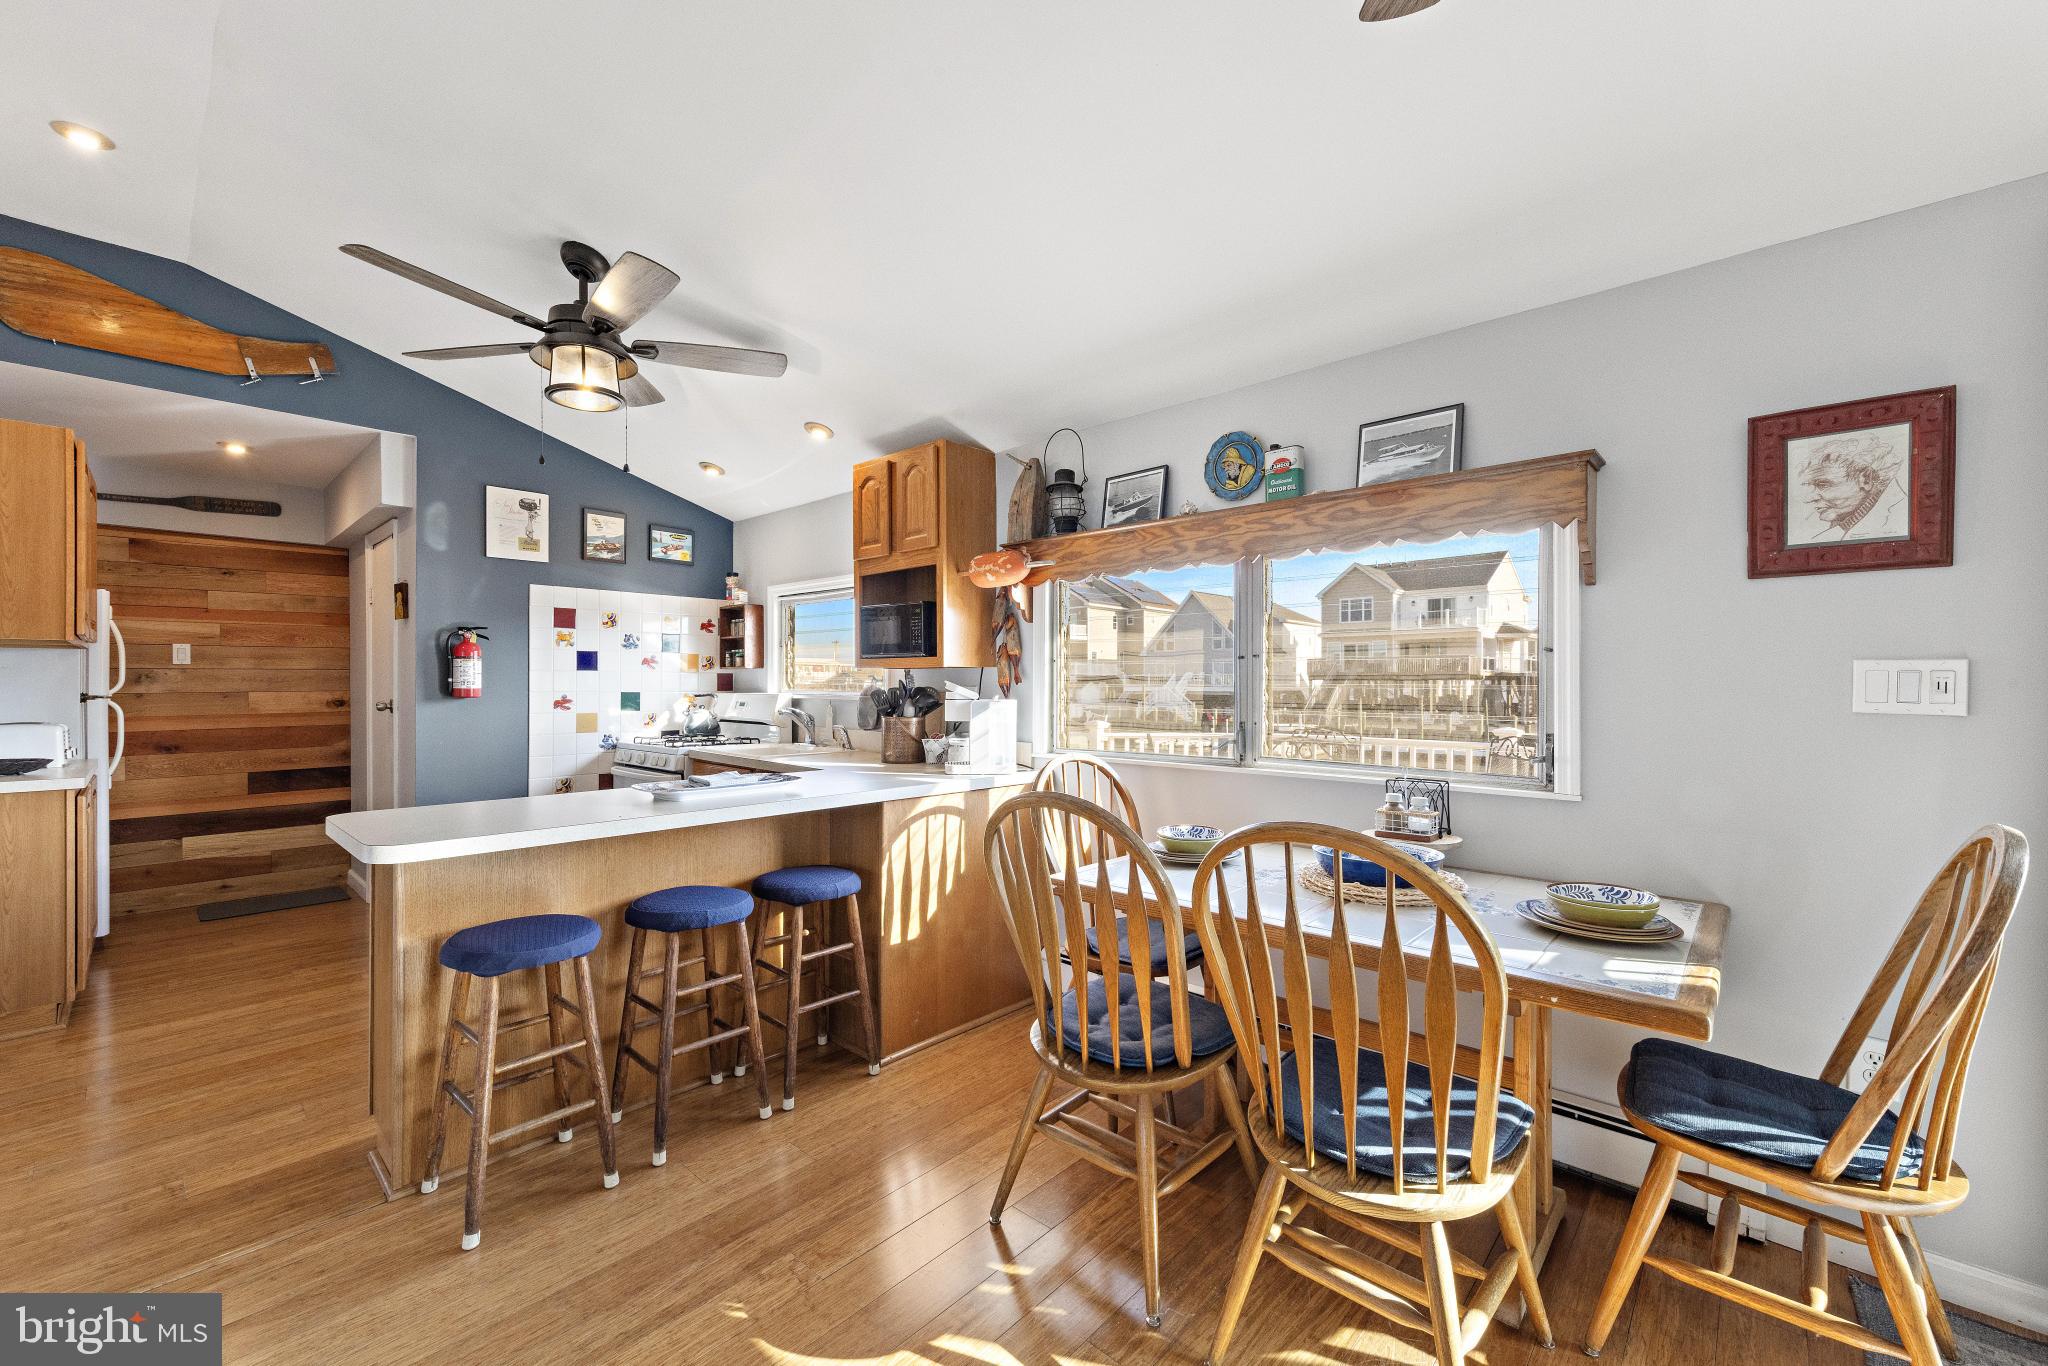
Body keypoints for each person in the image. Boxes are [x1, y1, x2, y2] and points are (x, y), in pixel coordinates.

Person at [1795, 430, 1908, 542]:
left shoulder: (1901, 520)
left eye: (1823, 485)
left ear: (1866, 480)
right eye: (1809, 485)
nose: (1808, 498)